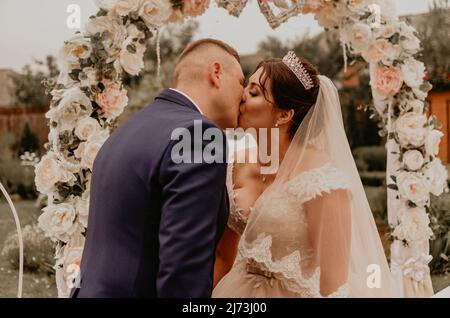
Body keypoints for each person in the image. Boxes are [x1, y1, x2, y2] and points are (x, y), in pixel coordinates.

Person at [212, 51, 401, 297]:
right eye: (245, 87)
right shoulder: (232, 163)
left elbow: (334, 283)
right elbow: (222, 255)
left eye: (255, 92)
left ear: (284, 114)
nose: (241, 96)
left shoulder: (322, 182)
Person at [71, 38, 245, 297]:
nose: (243, 95)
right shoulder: (199, 134)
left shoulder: (129, 128)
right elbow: (183, 271)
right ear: (216, 72)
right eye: (242, 82)